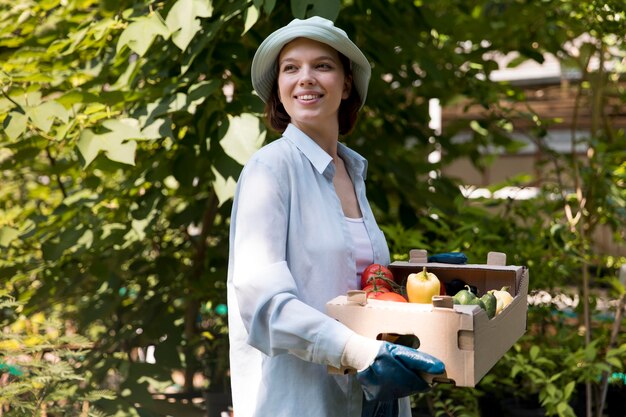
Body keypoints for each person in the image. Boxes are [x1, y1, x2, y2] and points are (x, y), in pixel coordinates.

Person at [226, 16, 445, 417]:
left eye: (322, 66)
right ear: (279, 87)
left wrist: (418, 279)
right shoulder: (270, 170)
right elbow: (265, 306)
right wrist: (359, 352)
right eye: (291, 68)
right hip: (305, 402)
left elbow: (355, 284)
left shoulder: (351, 170)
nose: (305, 78)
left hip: (376, 401)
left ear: (346, 85)